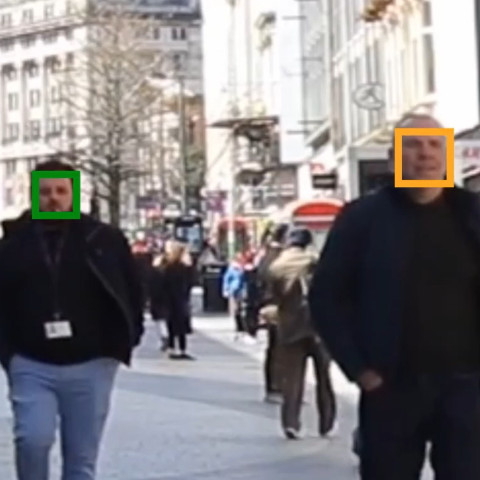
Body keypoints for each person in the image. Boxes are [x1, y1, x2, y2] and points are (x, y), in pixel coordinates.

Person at [309, 113, 480, 480]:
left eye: (435, 145)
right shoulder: (363, 218)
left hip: (467, 387)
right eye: (413, 145)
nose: (425, 155)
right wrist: (359, 369)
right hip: (392, 387)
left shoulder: (471, 213)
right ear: (394, 158)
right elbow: (326, 297)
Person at [0, 159, 144, 480]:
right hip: (31, 361)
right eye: (46, 191)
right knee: (32, 439)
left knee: (81, 458)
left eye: (61, 191)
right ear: (33, 194)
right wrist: (8, 352)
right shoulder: (13, 242)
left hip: (92, 363)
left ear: (73, 194)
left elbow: (133, 289)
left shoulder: (103, 240)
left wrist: (124, 339)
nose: (53, 198)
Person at [269, 227, 336, 440]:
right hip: (319, 326)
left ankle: (291, 423)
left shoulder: (277, 265)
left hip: (290, 326)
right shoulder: (316, 260)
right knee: (323, 377)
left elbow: (273, 295)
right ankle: (326, 423)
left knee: (293, 378)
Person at [256, 224, 288, 403]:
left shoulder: (267, 256)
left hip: (272, 306)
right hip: (278, 307)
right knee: (278, 348)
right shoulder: (276, 257)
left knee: (276, 348)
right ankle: (276, 386)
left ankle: (277, 386)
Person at [163, 242, 195, 360]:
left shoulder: (168, 266)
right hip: (178, 299)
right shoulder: (179, 268)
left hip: (172, 300)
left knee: (173, 325)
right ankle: (180, 349)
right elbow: (190, 281)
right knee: (180, 325)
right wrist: (190, 267)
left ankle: (173, 348)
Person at [222, 253, 247, 341]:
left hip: (240, 291)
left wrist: (244, 290)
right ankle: (236, 328)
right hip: (232, 291)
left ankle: (240, 328)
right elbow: (226, 279)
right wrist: (225, 290)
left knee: (240, 310)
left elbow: (244, 281)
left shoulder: (241, 269)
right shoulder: (231, 269)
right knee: (234, 309)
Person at [148, 253, 168, 352]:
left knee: (160, 320)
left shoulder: (155, 273)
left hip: (158, 300)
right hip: (165, 299)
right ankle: (165, 337)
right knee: (162, 320)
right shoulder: (166, 271)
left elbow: (151, 287)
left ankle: (164, 337)